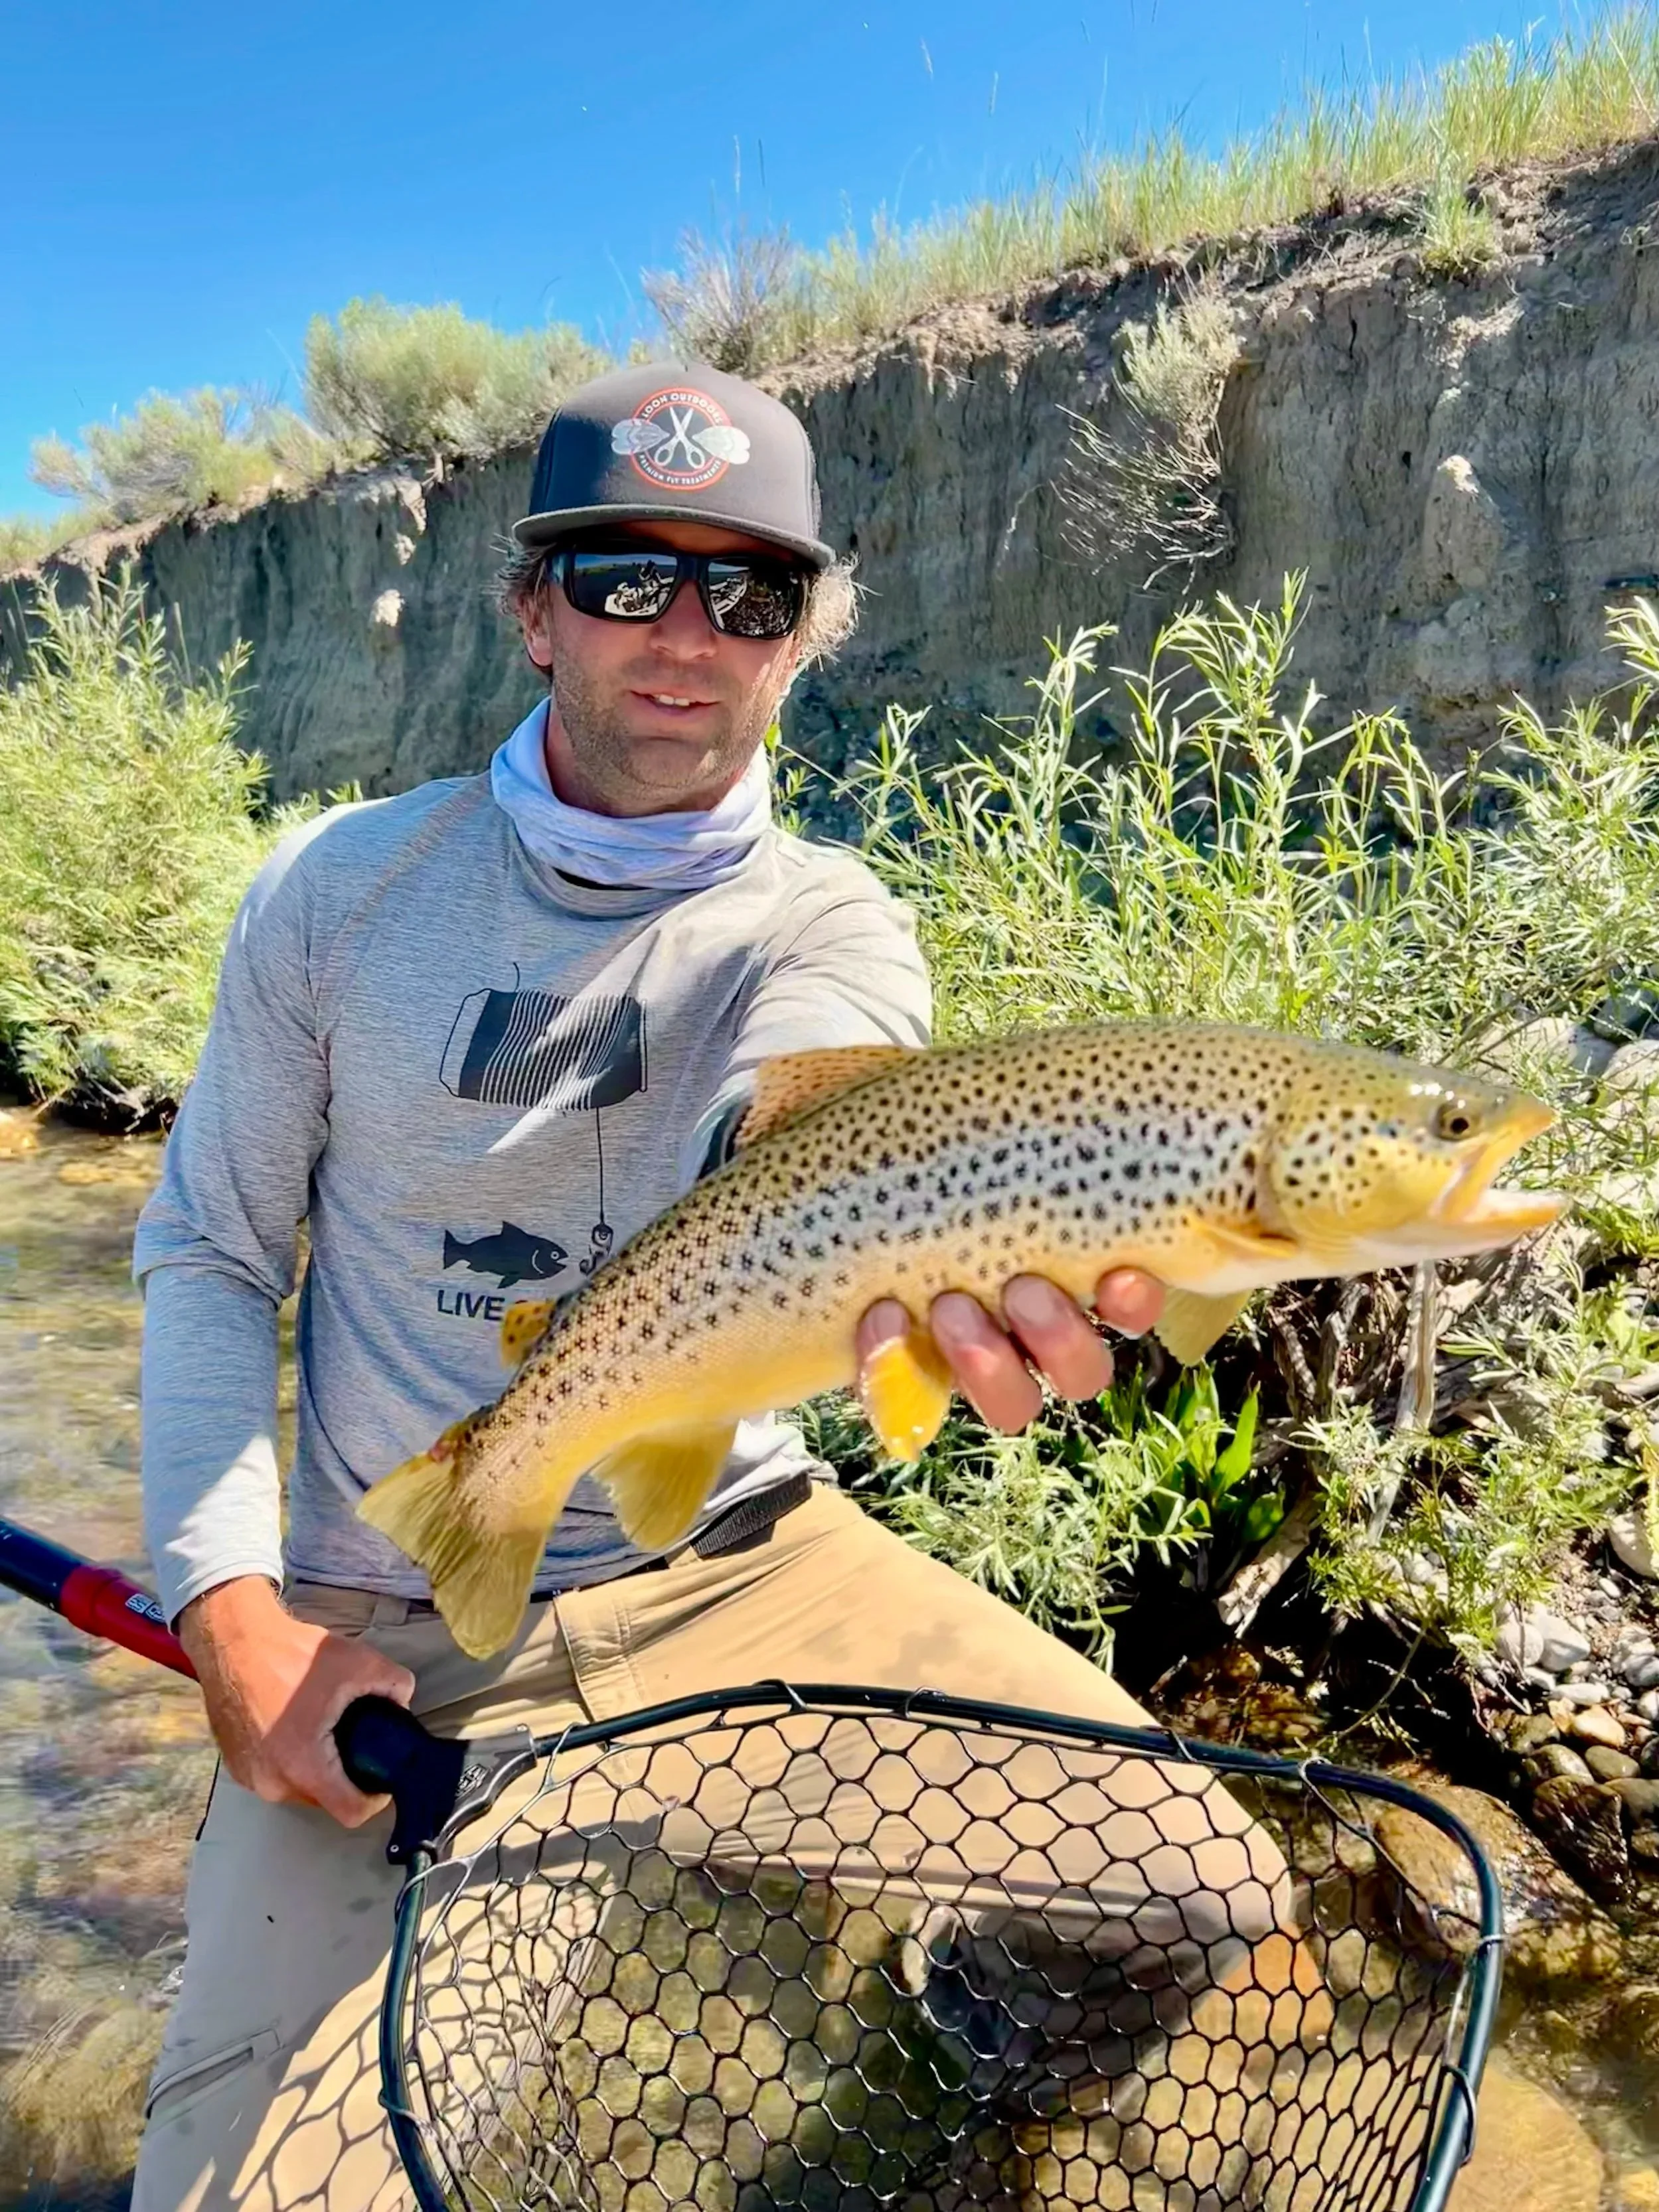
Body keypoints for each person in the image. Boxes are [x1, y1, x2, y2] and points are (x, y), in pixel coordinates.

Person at [131, 363, 1282, 2212]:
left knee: (1198, 1887)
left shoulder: (832, 924)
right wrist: (227, 1605)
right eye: (625, 578)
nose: (687, 635)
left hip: (741, 1563)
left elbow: (813, 1117)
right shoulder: (338, 892)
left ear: (803, 639)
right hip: (383, 1605)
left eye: (750, 594)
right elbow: (207, 1254)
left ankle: (964, 2034)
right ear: (530, 607)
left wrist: (955, 1266)